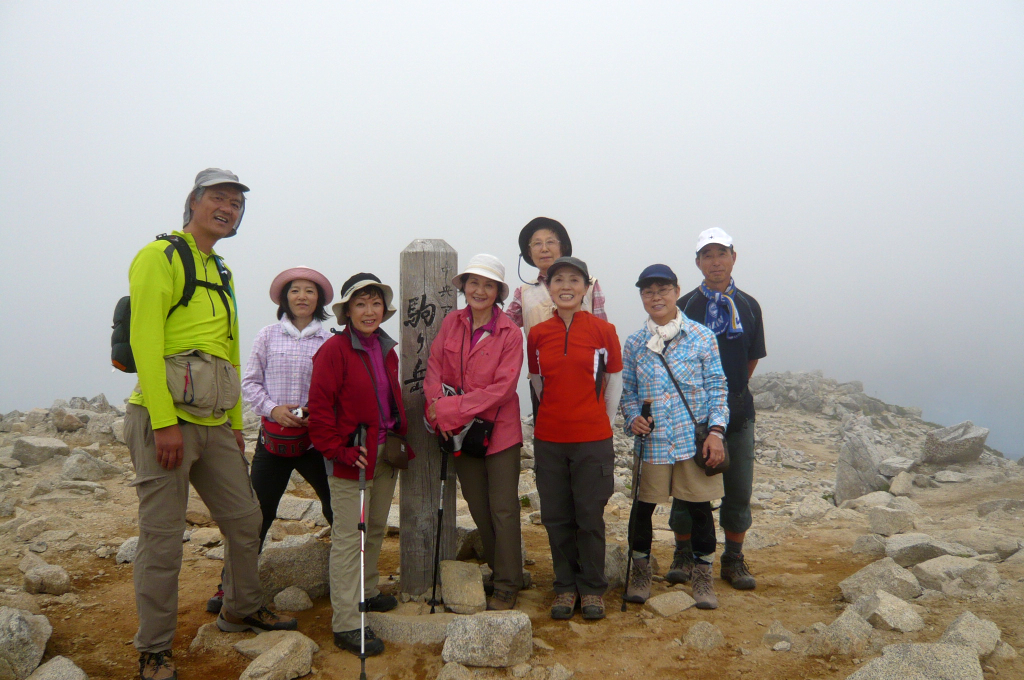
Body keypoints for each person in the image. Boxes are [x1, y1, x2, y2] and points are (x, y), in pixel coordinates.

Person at [124, 169, 296, 680]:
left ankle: (241, 608)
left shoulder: (220, 268)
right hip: (165, 419)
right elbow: (145, 343)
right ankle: (153, 649)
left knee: (245, 520)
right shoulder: (160, 256)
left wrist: (234, 427)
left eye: (237, 204)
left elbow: (228, 350)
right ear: (193, 202)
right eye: (219, 199)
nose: (229, 208)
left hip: (216, 422)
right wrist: (162, 422)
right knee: (162, 538)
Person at [203, 268, 337, 612]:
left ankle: (349, 581)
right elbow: (249, 382)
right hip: (273, 441)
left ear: (319, 300)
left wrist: (310, 411)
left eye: (310, 291)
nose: (303, 296)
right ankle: (228, 587)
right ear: (284, 298)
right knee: (256, 516)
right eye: (296, 290)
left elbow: (336, 390)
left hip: (314, 441)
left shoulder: (329, 341)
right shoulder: (267, 335)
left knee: (338, 508)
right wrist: (275, 409)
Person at [308, 273, 411, 656]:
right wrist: (338, 451)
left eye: (375, 303)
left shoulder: (384, 347)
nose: (370, 311)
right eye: (361, 304)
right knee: (350, 539)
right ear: (347, 311)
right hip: (353, 456)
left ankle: (367, 592)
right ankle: (348, 622)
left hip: (384, 452)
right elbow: (318, 410)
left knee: (378, 527)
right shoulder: (333, 351)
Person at [620, 264, 729, 609]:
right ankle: (640, 571)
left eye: (663, 289)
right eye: (648, 291)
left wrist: (716, 432)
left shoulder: (701, 336)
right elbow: (628, 393)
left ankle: (702, 576)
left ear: (677, 291)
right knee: (643, 507)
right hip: (652, 440)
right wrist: (633, 418)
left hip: (691, 438)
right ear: (642, 297)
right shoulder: (635, 343)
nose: (656, 297)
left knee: (699, 509)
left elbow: (717, 386)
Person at [424, 254, 524, 611]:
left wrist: (449, 409)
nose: (480, 290)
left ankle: (509, 584)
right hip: (458, 433)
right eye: (473, 282)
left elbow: (503, 388)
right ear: (464, 286)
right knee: (479, 508)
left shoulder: (510, 333)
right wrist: (437, 409)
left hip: (499, 434)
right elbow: (435, 366)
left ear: (497, 292)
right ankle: (501, 570)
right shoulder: (452, 322)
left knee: (504, 509)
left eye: (488, 284)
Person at [526, 256, 622, 621]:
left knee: (589, 515)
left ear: (586, 287)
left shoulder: (603, 330)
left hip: (593, 439)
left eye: (574, 280)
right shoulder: (537, 334)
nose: (566, 286)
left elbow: (613, 382)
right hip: (550, 438)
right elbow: (537, 383)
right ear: (548, 288)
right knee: (555, 516)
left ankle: (592, 588)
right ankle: (565, 586)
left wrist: (602, 423)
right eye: (558, 280)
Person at [670, 228, 766, 591]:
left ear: (733, 257)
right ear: (697, 263)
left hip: (738, 414)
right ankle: (683, 552)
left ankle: (733, 558)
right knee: (687, 488)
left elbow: (751, 357)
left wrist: (728, 394)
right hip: (692, 415)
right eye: (707, 255)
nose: (715, 262)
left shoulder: (749, 306)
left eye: (721, 254)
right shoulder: (685, 307)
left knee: (738, 488)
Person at [507, 217, 607, 416]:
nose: (544, 249)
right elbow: (503, 326)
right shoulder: (524, 293)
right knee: (548, 437)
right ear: (529, 252)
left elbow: (603, 335)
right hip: (542, 379)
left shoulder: (589, 284)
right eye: (537, 243)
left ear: (563, 247)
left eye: (550, 242)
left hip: (586, 375)